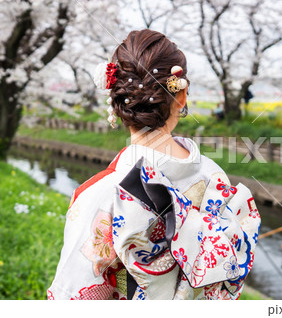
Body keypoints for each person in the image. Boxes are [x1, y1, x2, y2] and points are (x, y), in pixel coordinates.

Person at [47, 29, 261, 300]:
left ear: (115, 104)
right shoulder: (214, 175)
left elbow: (72, 297)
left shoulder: (101, 193)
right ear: (181, 98)